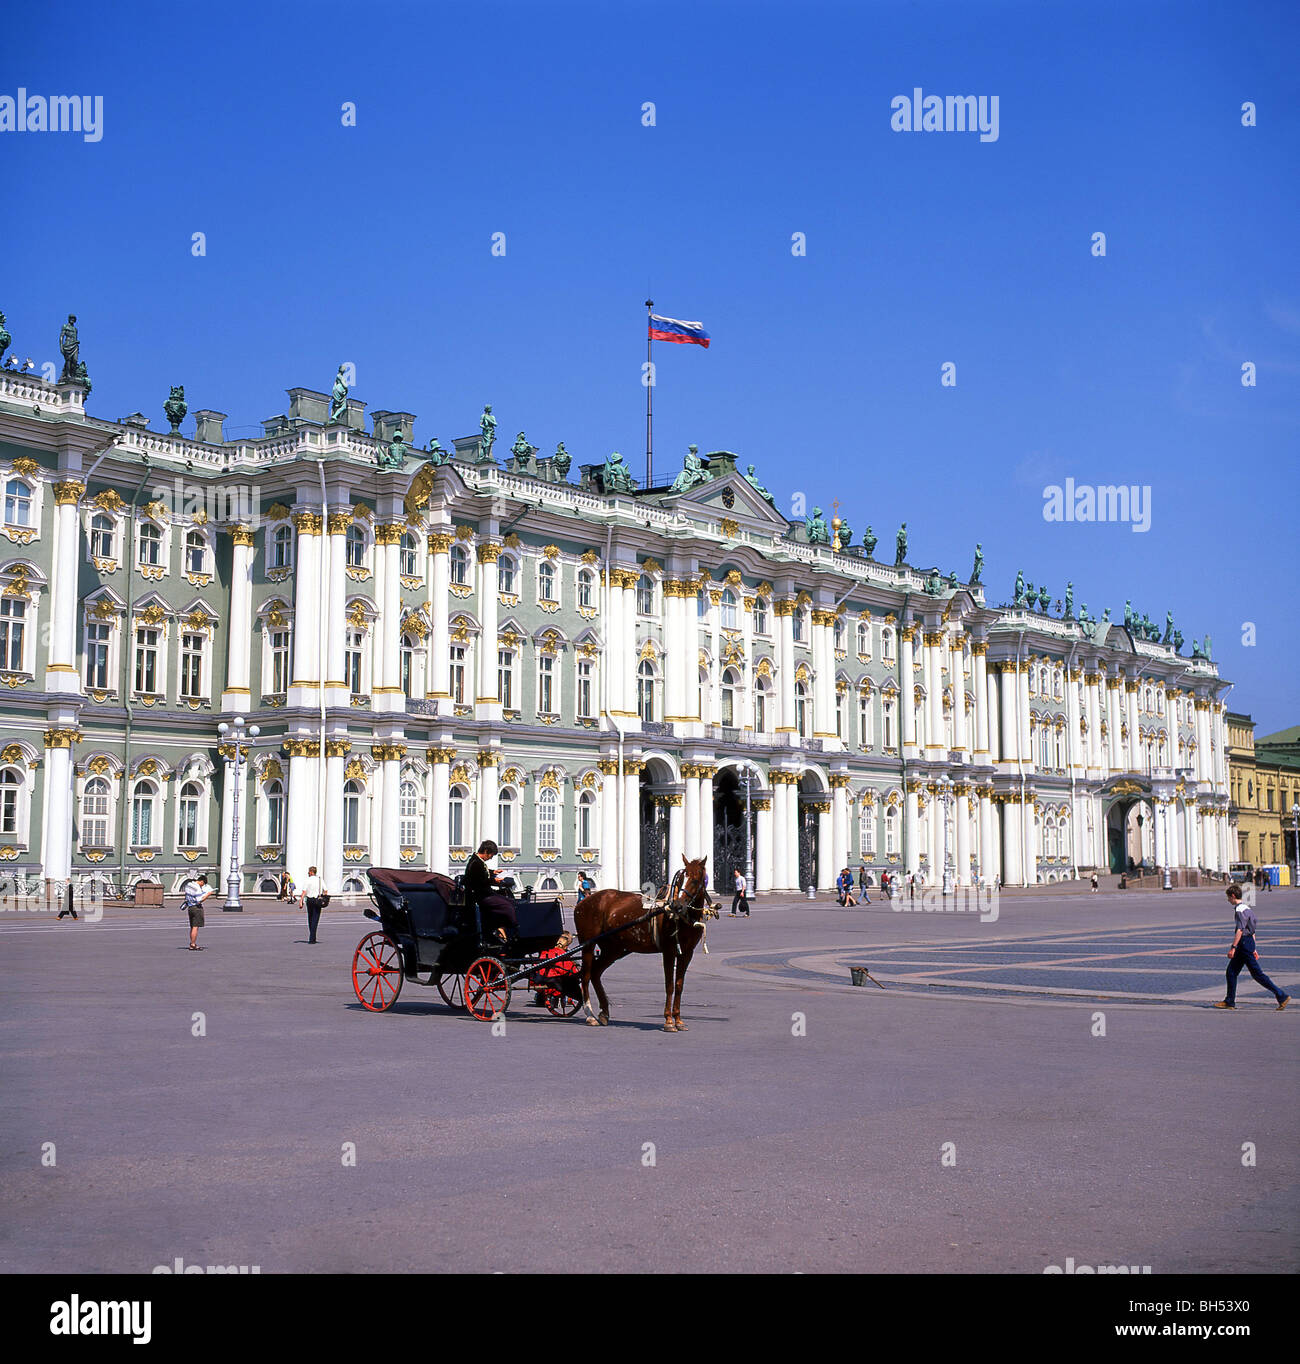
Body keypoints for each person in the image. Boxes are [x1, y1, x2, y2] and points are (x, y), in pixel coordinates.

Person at [1215, 883, 1289, 1010]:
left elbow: (1240, 930)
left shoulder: (1239, 910)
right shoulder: (1247, 908)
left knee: (1257, 974)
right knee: (1231, 972)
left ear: (1233, 896)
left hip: (1243, 944)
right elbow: (1252, 930)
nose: (1228, 900)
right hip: (1248, 943)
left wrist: (1233, 947)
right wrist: (1253, 947)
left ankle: (1281, 995)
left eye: (1229, 898)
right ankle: (1229, 1001)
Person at [464, 839, 517, 939]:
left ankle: (501, 927)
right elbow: (480, 881)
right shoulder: (476, 863)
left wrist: (494, 872)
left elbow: (483, 873)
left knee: (509, 901)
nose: (491, 857)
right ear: (486, 852)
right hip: (481, 896)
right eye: (491, 855)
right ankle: (507, 929)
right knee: (507, 905)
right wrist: (495, 881)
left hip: (484, 893)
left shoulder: (477, 861)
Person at [183, 874, 213, 951]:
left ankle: (192, 943)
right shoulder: (198, 888)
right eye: (203, 884)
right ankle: (193, 944)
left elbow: (187, 895)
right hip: (196, 908)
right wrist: (208, 894)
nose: (202, 886)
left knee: (192, 926)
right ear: (201, 881)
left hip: (190, 907)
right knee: (195, 927)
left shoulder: (188, 885)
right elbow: (200, 900)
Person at [298, 865, 327, 944]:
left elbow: (304, 891)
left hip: (309, 900)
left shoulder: (307, 880)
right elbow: (326, 890)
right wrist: (323, 897)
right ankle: (312, 938)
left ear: (311, 872)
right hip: (317, 900)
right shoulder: (320, 880)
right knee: (315, 919)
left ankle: (312, 937)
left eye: (308, 872)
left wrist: (301, 901)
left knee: (310, 918)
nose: (308, 873)